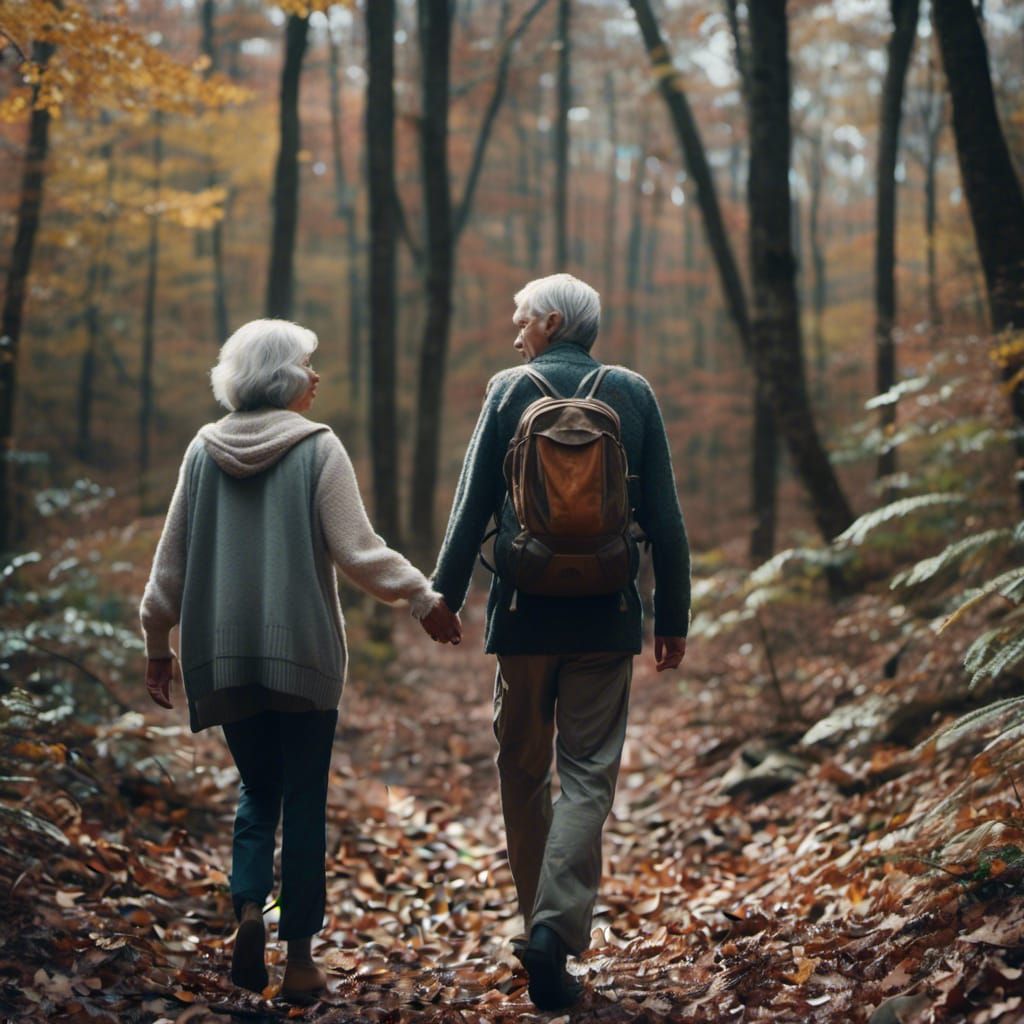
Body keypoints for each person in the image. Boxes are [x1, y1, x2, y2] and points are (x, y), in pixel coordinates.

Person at [140, 319, 460, 1002]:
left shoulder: (201, 452)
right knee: (304, 799)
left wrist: (155, 646)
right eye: (308, 366)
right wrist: (421, 597)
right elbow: (358, 550)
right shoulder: (319, 448)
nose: (316, 378)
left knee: (258, 790)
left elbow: (168, 570)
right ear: (284, 376)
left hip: (221, 658)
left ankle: (250, 904)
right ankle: (300, 962)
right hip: (304, 657)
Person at [426, 274, 689, 1011]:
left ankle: (536, 922)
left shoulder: (509, 390)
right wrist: (672, 618)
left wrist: (442, 597)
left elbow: (473, 501)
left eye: (520, 319)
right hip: (607, 613)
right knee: (588, 776)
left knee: (523, 770)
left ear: (548, 321)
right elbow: (665, 518)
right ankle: (553, 931)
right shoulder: (632, 392)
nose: (514, 332)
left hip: (523, 612)